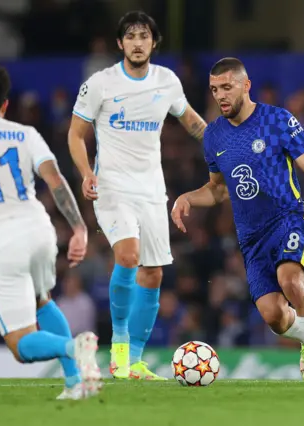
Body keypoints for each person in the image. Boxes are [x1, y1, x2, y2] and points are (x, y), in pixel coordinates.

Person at [171, 57, 304, 387]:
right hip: (252, 237)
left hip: (291, 217)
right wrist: (189, 197)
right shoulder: (214, 136)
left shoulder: (277, 120)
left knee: (291, 281)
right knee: (274, 317)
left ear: (245, 85)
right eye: (214, 90)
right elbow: (219, 190)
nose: (220, 96)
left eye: (226, 87)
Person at [0, 63, 102, 399]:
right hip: (39, 229)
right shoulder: (25, 133)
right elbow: (55, 180)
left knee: (19, 343)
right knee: (43, 301)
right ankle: (75, 385)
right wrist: (79, 227)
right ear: (5, 104)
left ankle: (75, 347)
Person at [68, 10, 207, 380]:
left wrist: (225, 145)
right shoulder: (101, 83)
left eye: (144, 36)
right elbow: (75, 134)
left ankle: (136, 362)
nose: (138, 42)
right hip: (111, 186)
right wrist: (85, 172)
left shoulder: (167, 81)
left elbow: (191, 121)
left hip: (151, 189)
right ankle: (119, 347)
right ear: (120, 44)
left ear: (154, 42)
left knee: (153, 273)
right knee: (127, 256)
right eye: (130, 36)